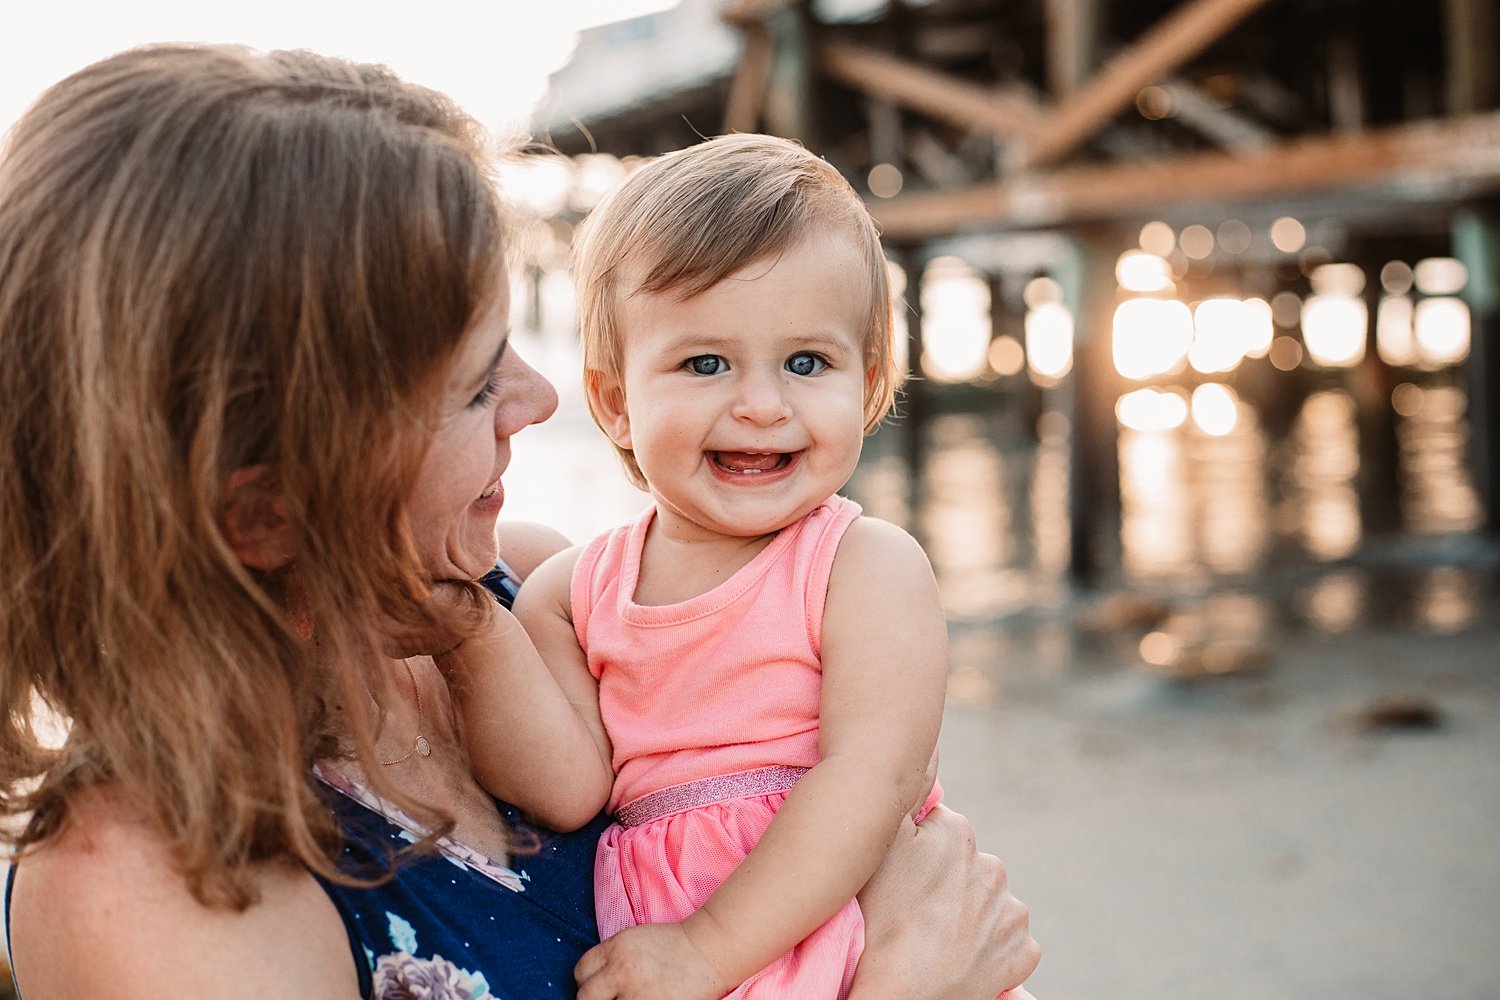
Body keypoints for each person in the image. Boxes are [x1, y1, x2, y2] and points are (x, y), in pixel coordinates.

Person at [0, 45, 1040, 999]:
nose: (542, 398)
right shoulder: (143, 890)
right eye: (470, 386)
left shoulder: (529, 597)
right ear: (263, 505)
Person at [438, 134, 1021, 1000]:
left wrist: (708, 949)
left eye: (805, 363)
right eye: (705, 363)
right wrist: (470, 630)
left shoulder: (862, 566)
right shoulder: (571, 592)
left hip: (824, 914)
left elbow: (873, 774)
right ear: (615, 401)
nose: (760, 403)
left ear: (865, 388)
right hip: (660, 936)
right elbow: (567, 788)